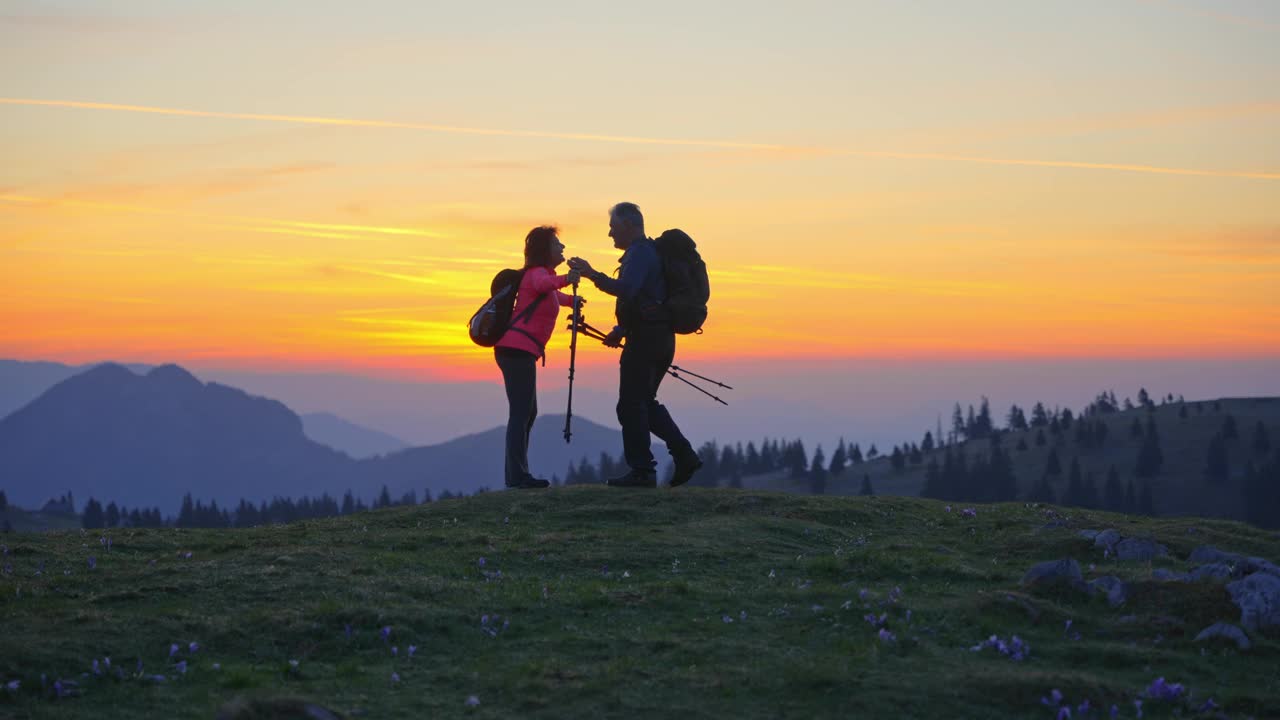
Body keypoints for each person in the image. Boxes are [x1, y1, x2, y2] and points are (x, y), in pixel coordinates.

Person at [568, 202, 702, 488]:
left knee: (630, 405)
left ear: (629, 226)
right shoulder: (649, 253)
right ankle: (684, 456)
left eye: (613, 228)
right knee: (644, 403)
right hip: (660, 338)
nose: (610, 234)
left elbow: (627, 290)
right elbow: (647, 297)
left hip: (646, 341)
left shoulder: (640, 253)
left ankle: (643, 471)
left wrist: (592, 274)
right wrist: (622, 328)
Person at [494, 225, 582, 489]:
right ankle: (518, 476)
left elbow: (554, 294)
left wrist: (573, 300)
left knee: (527, 412)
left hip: (520, 351)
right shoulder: (536, 274)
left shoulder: (542, 276)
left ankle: (518, 473)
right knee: (522, 413)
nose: (562, 248)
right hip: (516, 350)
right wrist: (569, 277)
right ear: (545, 250)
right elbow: (546, 285)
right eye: (557, 244)